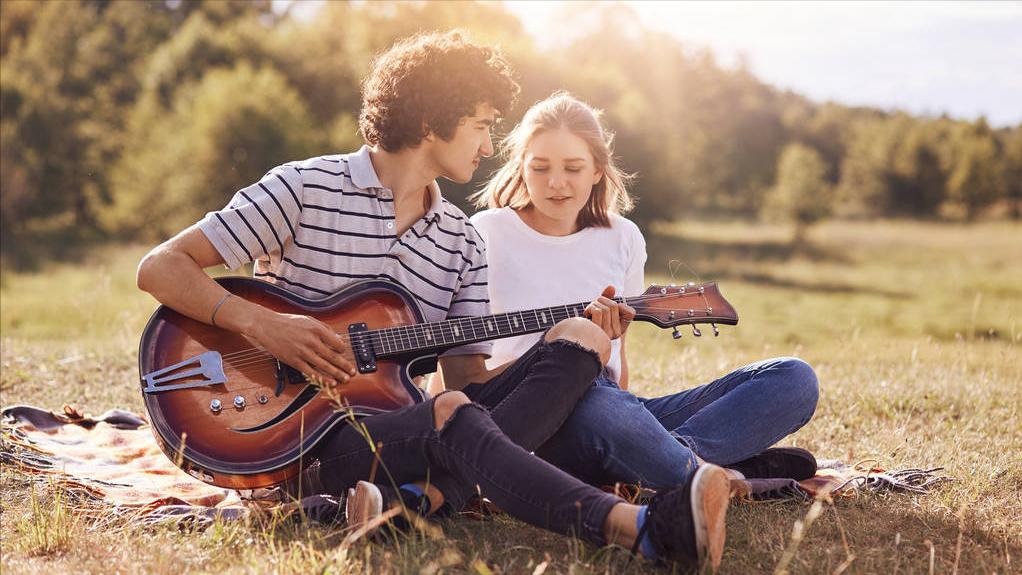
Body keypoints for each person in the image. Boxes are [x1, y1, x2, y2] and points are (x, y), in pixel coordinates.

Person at [135, 32, 730, 568]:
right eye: (479, 123)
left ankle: (417, 499)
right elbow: (159, 267)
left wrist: (570, 346)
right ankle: (641, 530)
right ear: (430, 121)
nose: (489, 143)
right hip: (292, 434)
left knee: (580, 339)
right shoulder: (306, 187)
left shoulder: (460, 240)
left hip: (395, 429)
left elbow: (468, 383)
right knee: (452, 415)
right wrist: (265, 326)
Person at [448, 91, 820, 491]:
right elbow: (459, 377)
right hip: (534, 418)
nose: (556, 183)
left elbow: (619, 379)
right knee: (597, 408)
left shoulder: (622, 237)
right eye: (540, 168)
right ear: (521, 168)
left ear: (597, 169)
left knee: (793, 378)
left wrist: (607, 343)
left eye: (573, 168)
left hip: (611, 410)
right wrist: (566, 361)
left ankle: (674, 462)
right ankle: (717, 475)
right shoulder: (485, 232)